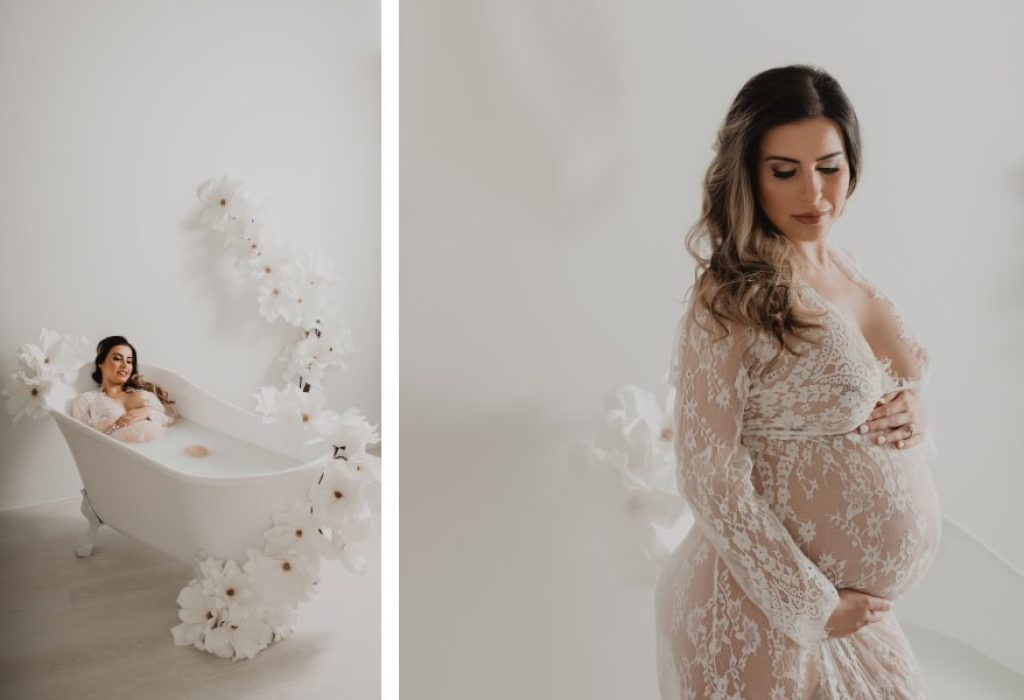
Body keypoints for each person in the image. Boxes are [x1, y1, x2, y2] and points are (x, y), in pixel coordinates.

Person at [654, 65, 941, 698]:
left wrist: (914, 414)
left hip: (854, 618)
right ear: (749, 174)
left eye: (829, 167)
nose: (813, 193)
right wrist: (808, 603)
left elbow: (862, 390)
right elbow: (708, 470)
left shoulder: (845, 263)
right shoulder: (729, 296)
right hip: (765, 609)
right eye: (784, 171)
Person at [71, 336, 179, 443]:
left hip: (164, 447)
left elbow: (171, 421)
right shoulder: (87, 400)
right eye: (117, 358)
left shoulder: (144, 395)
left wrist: (146, 412)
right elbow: (82, 439)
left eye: (129, 361)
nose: (124, 365)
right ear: (101, 362)